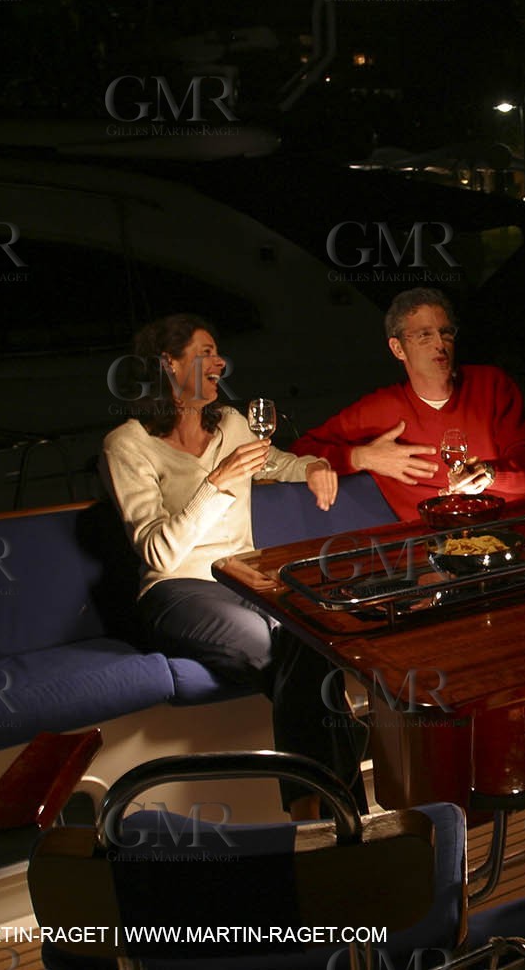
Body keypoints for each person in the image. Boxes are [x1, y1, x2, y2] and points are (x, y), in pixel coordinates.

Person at [99, 314, 364, 819]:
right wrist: (215, 483)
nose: (220, 362)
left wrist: (312, 466)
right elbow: (158, 552)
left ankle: (321, 813)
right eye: (205, 353)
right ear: (168, 364)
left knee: (311, 637)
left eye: (218, 352)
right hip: (176, 591)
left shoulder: (232, 424)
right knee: (291, 650)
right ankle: (332, 809)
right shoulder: (127, 445)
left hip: (243, 577)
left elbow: (274, 460)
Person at [292, 288, 525, 521]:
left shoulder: (491, 384)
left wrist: (489, 472)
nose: (440, 344)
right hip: (440, 545)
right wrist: (361, 457)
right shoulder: (380, 409)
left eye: (446, 333)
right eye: (425, 336)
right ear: (398, 349)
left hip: (519, 522)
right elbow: (301, 449)